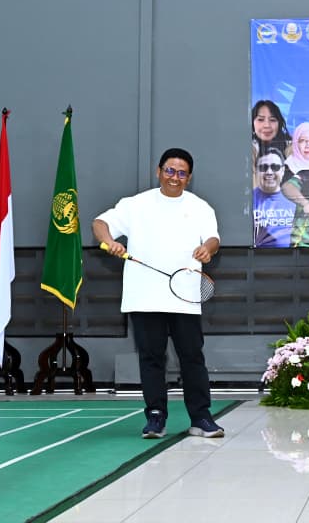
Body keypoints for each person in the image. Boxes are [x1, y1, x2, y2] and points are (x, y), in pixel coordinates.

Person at [93, 148, 225, 440]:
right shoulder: (135, 204)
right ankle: (155, 417)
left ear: (188, 178)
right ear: (158, 171)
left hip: (185, 296)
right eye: (169, 170)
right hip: (144, 296)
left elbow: (213, 238)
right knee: (152, 358)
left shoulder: (200, 207)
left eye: (181, 173)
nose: (174, 177)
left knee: (192, 357)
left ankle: (201, 418)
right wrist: (109, 242)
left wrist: (208, 249)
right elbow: (100, 224)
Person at [253, 147, 296, 248]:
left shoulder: (295, 201)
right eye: (264, 167)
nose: (269, 172)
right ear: (256, 171)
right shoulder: (246, 202)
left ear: (283, 170)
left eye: (275, 167)